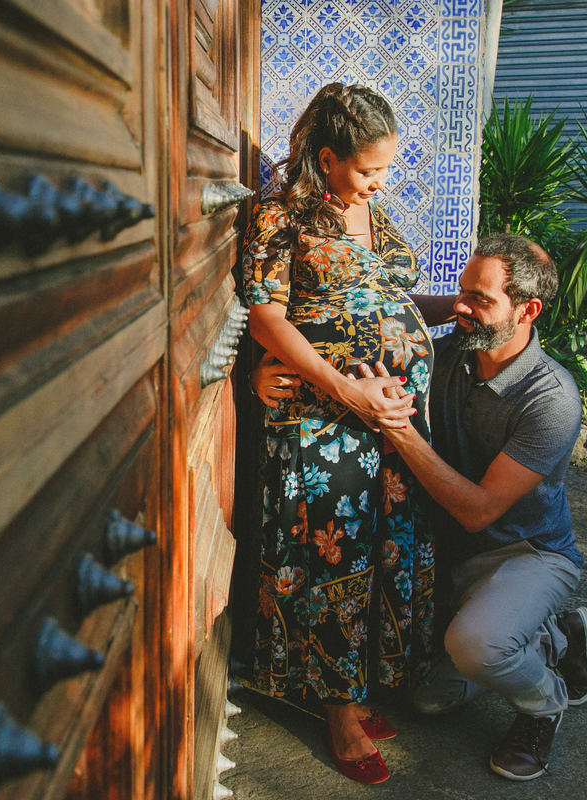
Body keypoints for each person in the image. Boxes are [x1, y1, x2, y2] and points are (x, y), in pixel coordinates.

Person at [254, 233, 587, 782]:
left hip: (524, 553)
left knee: (478, 647)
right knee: (427, 700)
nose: (460, 306)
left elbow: (478, 510)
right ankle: (552, 635)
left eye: (480, 299)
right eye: (462, 291)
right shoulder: (451, 354)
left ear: (527, 310)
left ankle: (544, 704)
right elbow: (352, 335)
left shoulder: (550, 398)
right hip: (448, 558)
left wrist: (400, 429)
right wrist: (269, 374)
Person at [234, 82, 455, 785]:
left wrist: (456, 307)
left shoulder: (371, 215)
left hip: (386, 426)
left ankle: (357, 692)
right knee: (334, 564)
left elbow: (383, 300)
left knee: (384, 556)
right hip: (322, 421)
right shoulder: (279, 218)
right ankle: (337, 714)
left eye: (385, 169)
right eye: (367, 170)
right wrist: (347, 389)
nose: (378, 183)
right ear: (326, 158)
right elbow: (267, 318)